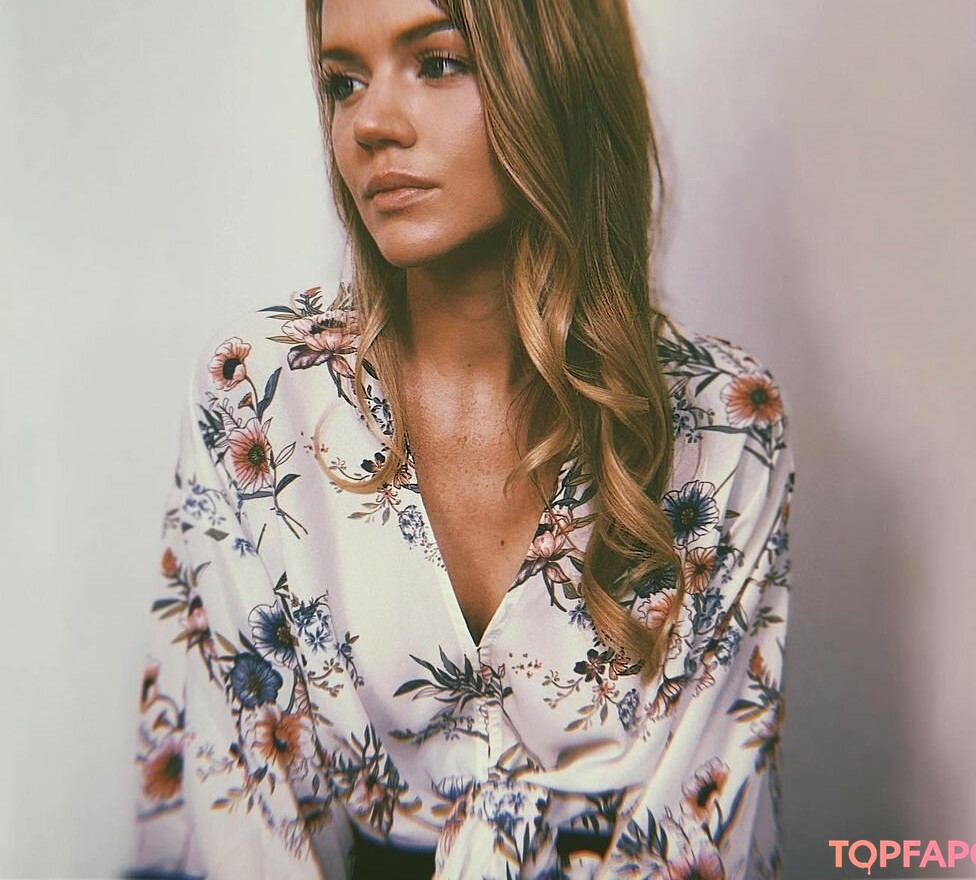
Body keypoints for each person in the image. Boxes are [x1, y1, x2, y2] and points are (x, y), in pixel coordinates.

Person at [129, 0, 796, 877]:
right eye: (343, 82)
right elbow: (233, 816)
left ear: (557, 77)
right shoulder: (258, 397)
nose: (370, 123)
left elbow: (704, 835)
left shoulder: (724, 421)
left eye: (438, 63)